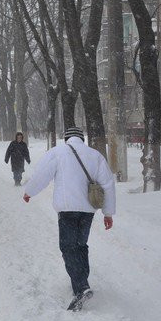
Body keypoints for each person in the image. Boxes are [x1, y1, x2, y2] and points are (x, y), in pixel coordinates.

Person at [22, 126, 116, 311]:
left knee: (68, 247)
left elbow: (42, 175)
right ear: (82, 138)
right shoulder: (95, 155)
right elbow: (108, 184)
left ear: (66, 138)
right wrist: (108, 213)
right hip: (88, 210)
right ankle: (81, 281)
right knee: (80, 245)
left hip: (67, 210)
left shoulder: (58, 152)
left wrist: (29, 192)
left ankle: (81, 287)